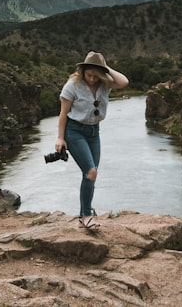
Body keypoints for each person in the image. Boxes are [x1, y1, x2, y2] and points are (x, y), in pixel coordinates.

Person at [55, 51, 130, 230]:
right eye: (89, 74)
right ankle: (87, 215)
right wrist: (60, 138)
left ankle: (83, 216)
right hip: (74, 131)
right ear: (82, 72)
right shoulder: (72, 86)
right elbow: (63, 114)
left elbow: (124, 82)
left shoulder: (105, 84)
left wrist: (105, 68)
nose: (92, 79)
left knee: (91, 175)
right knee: (91, 172)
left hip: (94, 133)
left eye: (96, 76)